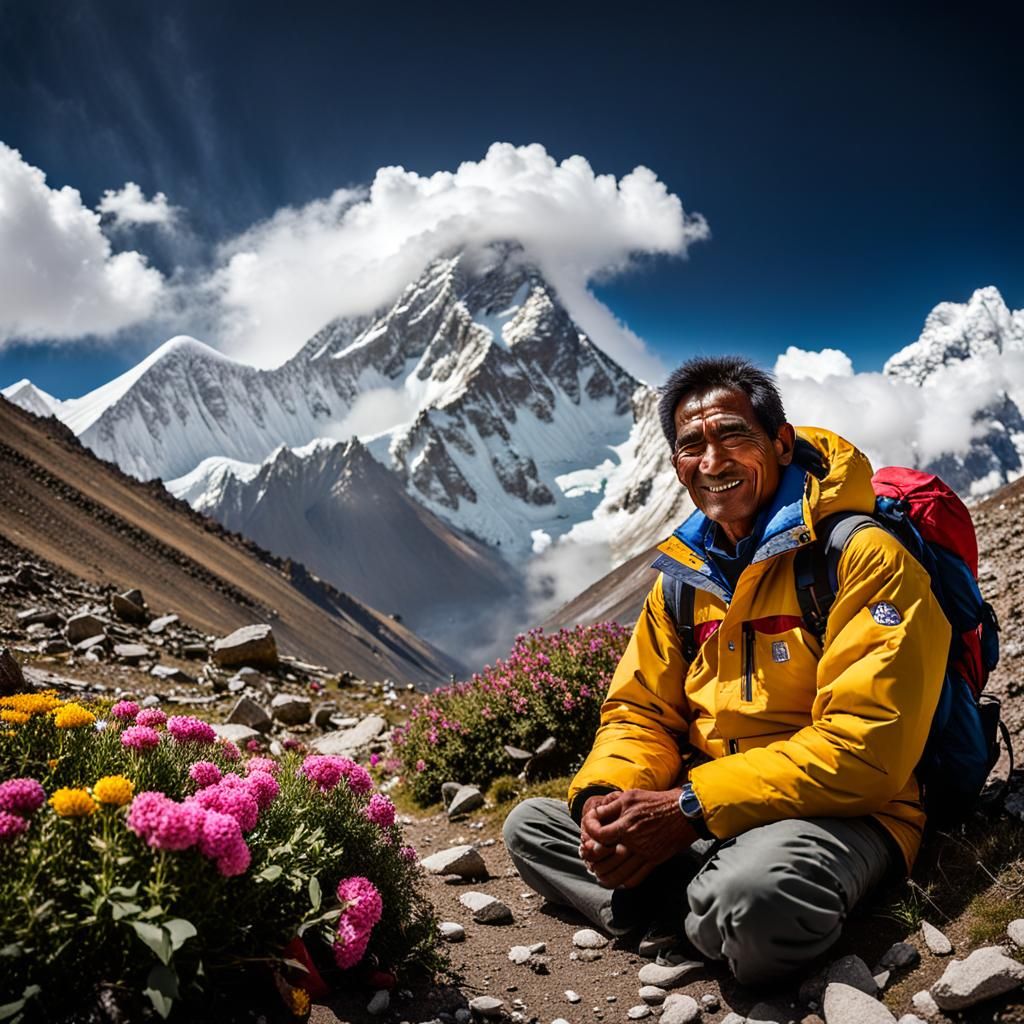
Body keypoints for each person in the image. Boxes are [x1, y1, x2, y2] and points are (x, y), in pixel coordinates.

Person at [503, 356, 950, 986]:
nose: (712, 462)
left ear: (781, 442)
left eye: (733, 435)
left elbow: (865, 750)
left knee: (753, 900)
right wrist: (609, 797)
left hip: (844, 810)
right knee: (535, 827)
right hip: (706, 809)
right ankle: (703, 908)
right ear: (676, 464)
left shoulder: (860, 557)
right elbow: (640, 714)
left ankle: (698, 906)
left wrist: (686, 809)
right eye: (691, 445)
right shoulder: (683, 583)